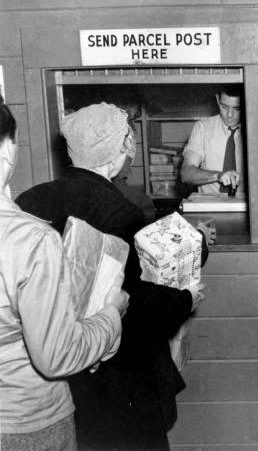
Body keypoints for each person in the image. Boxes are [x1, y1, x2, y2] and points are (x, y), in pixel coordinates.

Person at [16, 103, 205, 451]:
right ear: (117, 153)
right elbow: (139, 301)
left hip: (55, 378)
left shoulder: (30, 199)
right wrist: (185, 299)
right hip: (117, 380)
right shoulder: (118, 211)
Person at [0, 97, 129, 451]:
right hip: (29, 420)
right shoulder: (30, 237)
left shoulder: (33, 198)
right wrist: (112, 313)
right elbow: (56, 355)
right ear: (9, 150)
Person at [180, 86, 243, 194]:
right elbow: (186, 173)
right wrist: (218, 175)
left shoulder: (257, 130)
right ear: (218, 100)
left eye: (237, 109)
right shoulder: (203, 128)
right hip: (210, 203)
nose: (229, 115)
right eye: (224, 107)